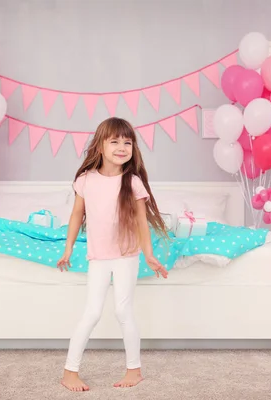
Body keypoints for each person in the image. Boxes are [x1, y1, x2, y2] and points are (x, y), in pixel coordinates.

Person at [57, 117, 169, 392]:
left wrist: (149, 254)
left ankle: (134, 370)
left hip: (126, 256)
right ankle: (69, 372)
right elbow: (76, 216)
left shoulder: (132, 182)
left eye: (127, 142)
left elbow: (142, 222)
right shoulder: (85, 180)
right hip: (98, 257)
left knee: (123, 310)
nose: (122, 147)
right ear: (100, 146)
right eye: (115, 141)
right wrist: (68, 248)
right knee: (92, 312)